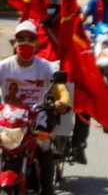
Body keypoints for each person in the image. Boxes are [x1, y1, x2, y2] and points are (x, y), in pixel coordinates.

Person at [0, 20, 70, 195]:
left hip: (37, 120)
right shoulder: (4, 66)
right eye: (21, 38)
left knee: (44, 147)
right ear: (14, 43)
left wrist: (62, 101)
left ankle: (47, 190)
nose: (25, 42)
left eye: (30, 39)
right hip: (8, 122)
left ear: (37, 43)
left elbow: (60, 89)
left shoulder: (45, 67)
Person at [37, 0, 90, 165]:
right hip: (40, 79)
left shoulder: (68, 25)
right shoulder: (33, 26)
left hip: (65, 77)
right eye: (45, 7)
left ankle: (78, 145)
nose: (48, 11)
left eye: (52, 7)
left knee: (84, 106)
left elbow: (81, 46)